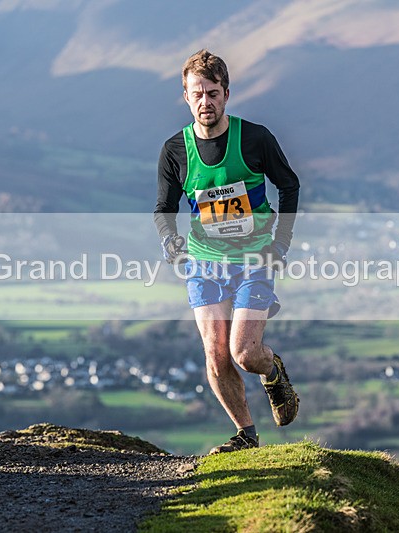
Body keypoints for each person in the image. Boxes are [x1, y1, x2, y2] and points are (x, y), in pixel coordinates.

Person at [153, 49, 301, 454]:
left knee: (244, 353)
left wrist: (280, 244)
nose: (206, 102)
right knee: (217, 355)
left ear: (227, 93)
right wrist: (171, 243)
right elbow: (164, 210)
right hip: (204, 262)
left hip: (255, 258)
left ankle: (272, 371)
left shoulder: (255, 138)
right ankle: (246, 436)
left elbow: (289, 185)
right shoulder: (175, 150)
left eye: (213, 93)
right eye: (197, 94)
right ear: (185, 96)